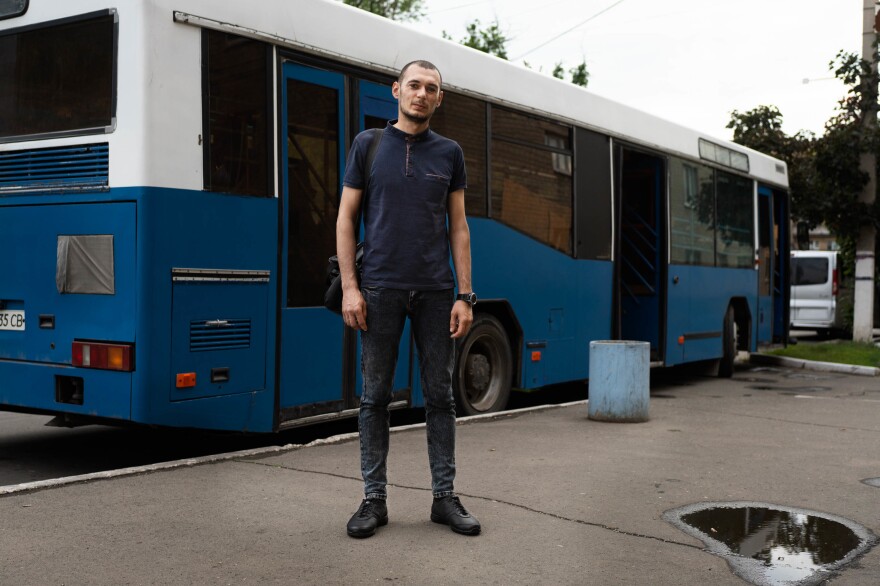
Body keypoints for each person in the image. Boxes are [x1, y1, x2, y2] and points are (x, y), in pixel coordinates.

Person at [336, 60, 481, 538]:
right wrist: (352, 288)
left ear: (440, 99)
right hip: (380, 290)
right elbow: (345, 218)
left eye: (431, 88)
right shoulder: (368, 145)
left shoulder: (450, 153)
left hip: (437, 292)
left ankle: (444, 499)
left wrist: (465, 295)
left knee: (440, 397)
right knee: (375, 398)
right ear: (396, 90)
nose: (421, 94)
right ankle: (373, 501)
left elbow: (458, 227)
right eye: (414, 85)